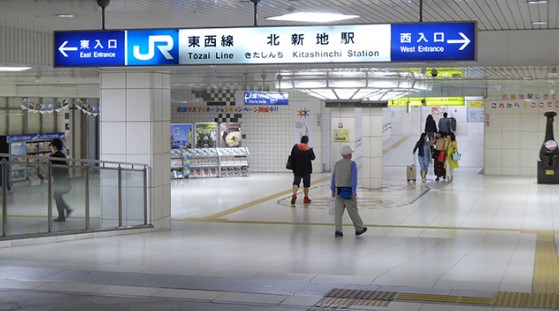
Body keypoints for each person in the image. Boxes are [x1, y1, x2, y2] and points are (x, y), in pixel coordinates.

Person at [330, 145, 367, 237]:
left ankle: (338, 231)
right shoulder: (352, 164)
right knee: (353, 211)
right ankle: (359, 228)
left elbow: (333, 178)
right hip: (349, 192)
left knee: (338, 213)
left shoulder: (337, 164)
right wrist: (354, 192)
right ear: (349, 155)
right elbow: (354, 179)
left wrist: (333, 190)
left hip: (339, 192)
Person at [50, 138, 72, 222]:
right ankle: (66, 210)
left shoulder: (55, 156)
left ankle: (62, 216)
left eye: (52, 145)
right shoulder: (62, 155)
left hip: (59, 180)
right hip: (63, 179)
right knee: (57, 196)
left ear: (55, 146)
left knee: (57, 196)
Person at [290, 135, 316, 205]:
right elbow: (313, 158)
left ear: (301, 140)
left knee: (296, 182)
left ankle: (294, 195)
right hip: (306, 169)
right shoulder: (309, 149)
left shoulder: (295, 147)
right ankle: (306, 198)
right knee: (306, 184)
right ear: (307, 141)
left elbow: (292, 155)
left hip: (297, 168)